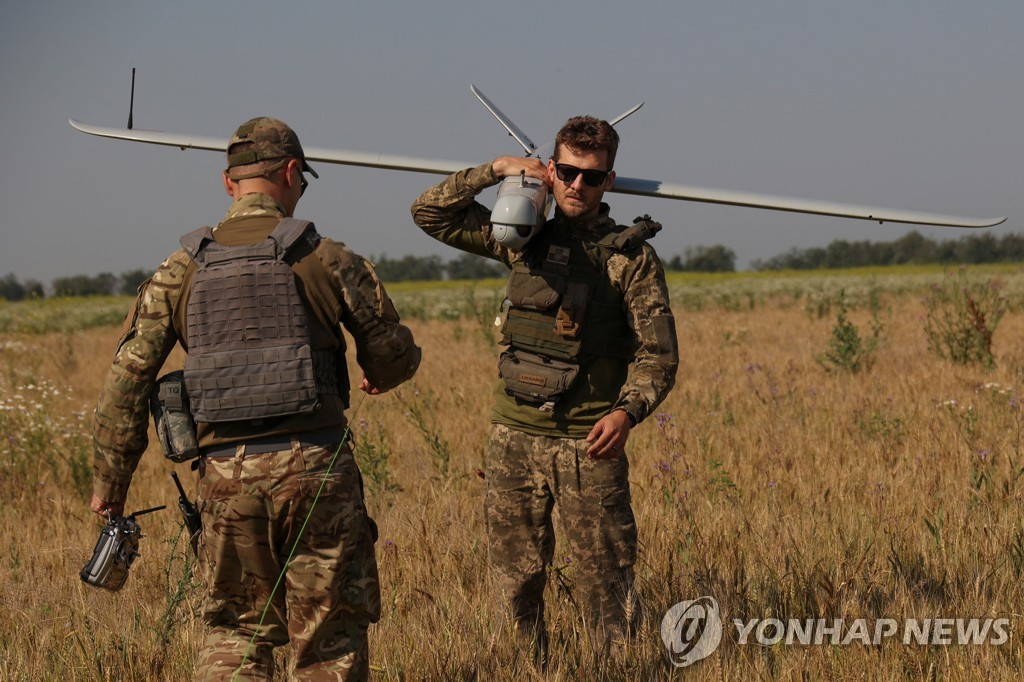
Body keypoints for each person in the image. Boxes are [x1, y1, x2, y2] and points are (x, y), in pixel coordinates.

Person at [90, 117, 421, 681]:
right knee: (327, 638)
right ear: (292, 173)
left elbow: (126, 382)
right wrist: (378, 376)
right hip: (317, 471)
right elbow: (394, 356)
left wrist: (110, 486)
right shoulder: (329, 257)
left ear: (229, 184)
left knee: (236, 635)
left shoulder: (179, 270)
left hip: (225, 476)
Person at [411, 116, 678, 661]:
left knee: (604, 582)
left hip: (589, 443)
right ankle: (527, 668)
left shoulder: (630, 258)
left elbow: (659, 357)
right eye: (569, 173)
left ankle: (613, 671)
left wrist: (626, 414)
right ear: (551, 172)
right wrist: (497, 172)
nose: (579, 186)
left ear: (610, 180)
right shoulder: (519, 238)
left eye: (593, 177)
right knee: (515, 580)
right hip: (513, 438)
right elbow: (429, 212)